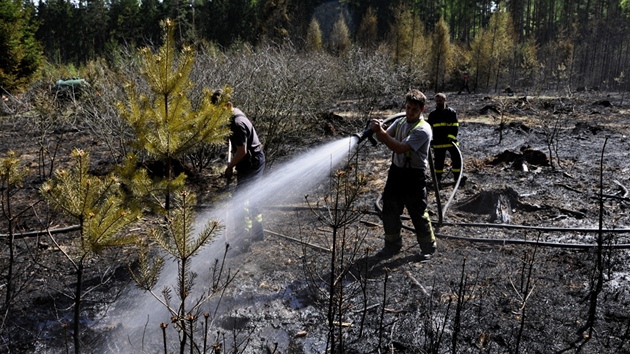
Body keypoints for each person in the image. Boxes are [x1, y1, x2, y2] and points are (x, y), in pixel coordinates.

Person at [369, 89, 436, 260]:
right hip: (396, 172)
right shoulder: (399, 122)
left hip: (414, 176)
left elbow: (399, 147)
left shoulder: (423, 130)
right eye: (408, 108)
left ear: (422, 109)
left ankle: (428, 247)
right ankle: (392, 245)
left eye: (414, 109)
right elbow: (383, 138)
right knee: (390, 209)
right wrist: (377, 130)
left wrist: (381, 132)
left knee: (417, 212)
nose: (410, 112)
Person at [212, 89, 266, 242]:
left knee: (243, 198)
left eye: (219, 111)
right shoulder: (234, 113)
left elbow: (242, 151)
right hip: (249, 160)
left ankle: (245, 236)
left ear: (228, 105)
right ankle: (255, 233)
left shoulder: (237, 123)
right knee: (249, 197)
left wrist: (230, 167)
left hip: (252, 161)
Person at [427, 93, 463, 186]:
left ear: (445, 100)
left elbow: (455, 126)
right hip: (438, 143)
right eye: (437, 101)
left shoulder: (452, 113)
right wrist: (430, 140)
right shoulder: (433, 114)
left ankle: (457, 178)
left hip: (451, 142)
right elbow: (427, 128)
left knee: (456, 160)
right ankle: (438, 179)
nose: (439, 102)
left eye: (441, 100)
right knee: (438, 162)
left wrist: (451, 138)